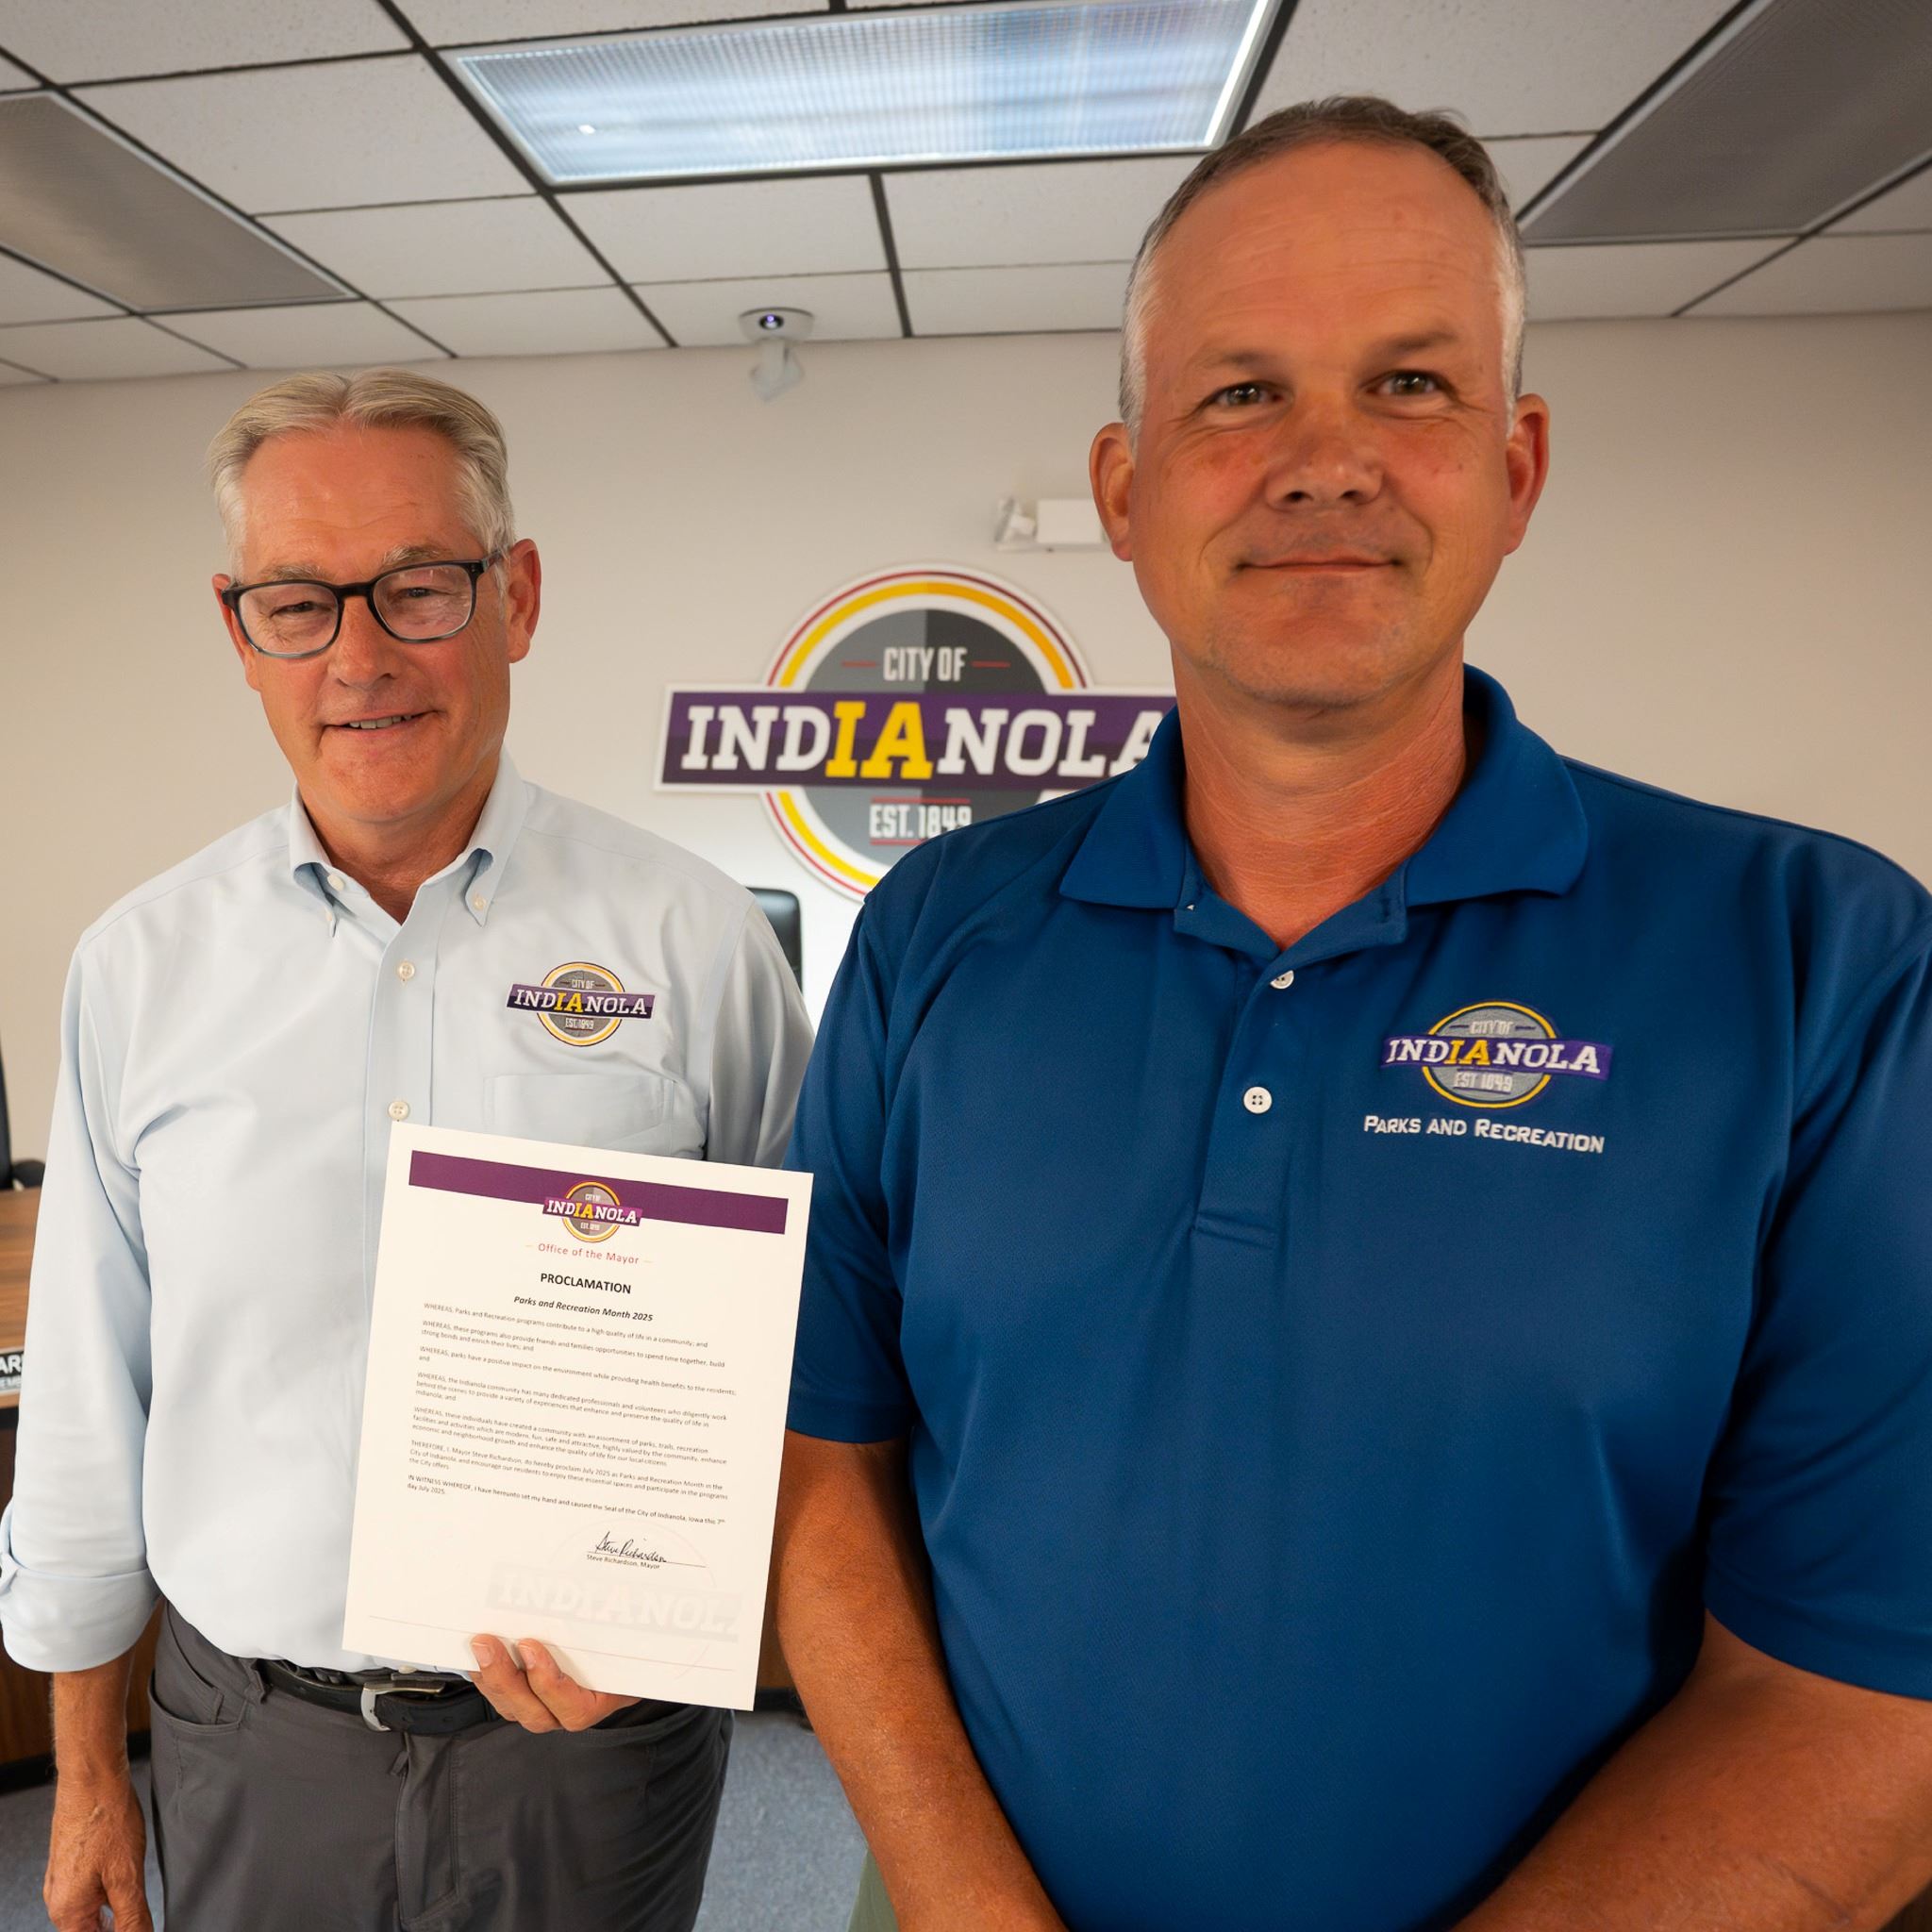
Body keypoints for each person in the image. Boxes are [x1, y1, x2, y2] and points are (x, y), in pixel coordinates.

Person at [773, 96, 1932, 1932]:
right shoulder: (934, 938)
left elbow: (1866, 1693)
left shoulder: (1817, 962)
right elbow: (819, 1459)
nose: (1326, 462)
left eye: (1408, 385)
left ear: (1518, 466)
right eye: (1239, 394)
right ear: (1125, 489)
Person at [2, 369, 812, 1932]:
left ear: (514, 596)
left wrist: (692, 1597)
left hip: (596, 1750)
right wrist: (91, 1772)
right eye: (300, 603)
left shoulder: (696, 943)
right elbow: (91, 1409)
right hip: (251, 1740)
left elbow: (802, 1349)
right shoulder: (140, 966)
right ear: (240, 632)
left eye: (419, 588)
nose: (361, 656)